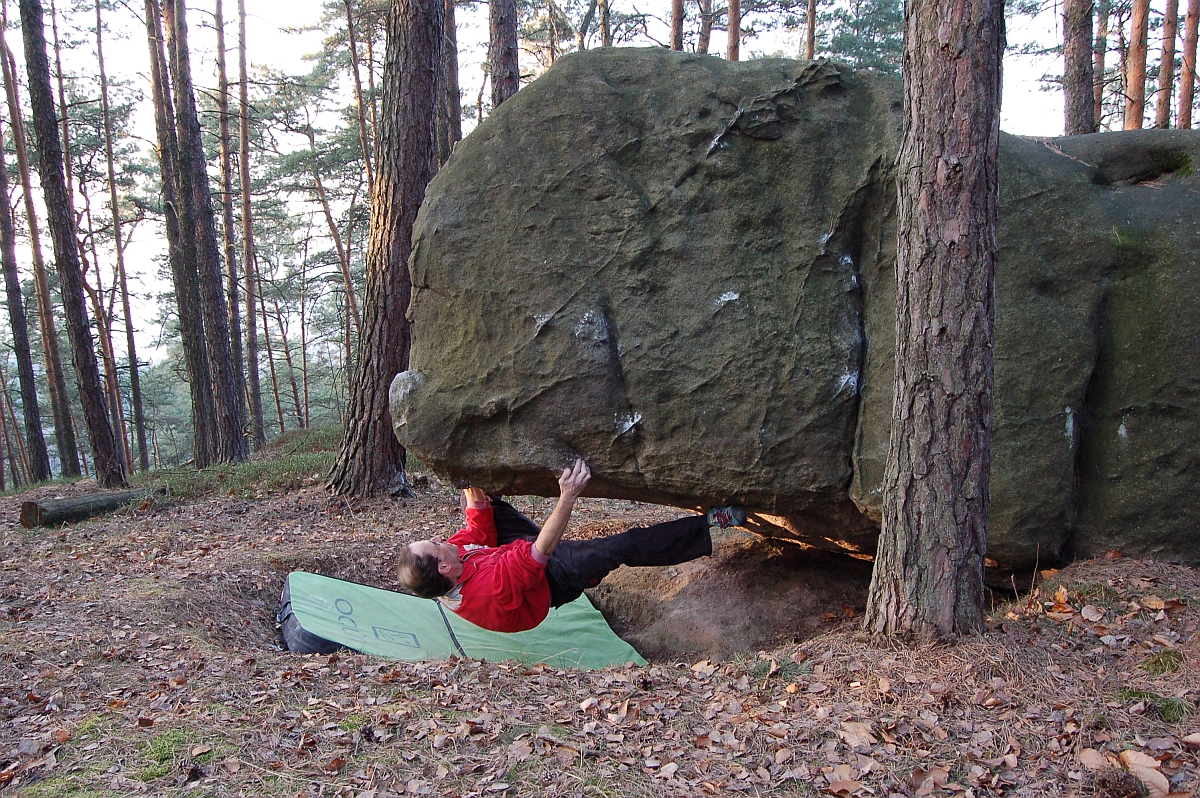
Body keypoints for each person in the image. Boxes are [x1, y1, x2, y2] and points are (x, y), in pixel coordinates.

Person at [396, 459, 746, 633]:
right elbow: (541, 551)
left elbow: (477, 531)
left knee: (474, 498)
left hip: (506, 556)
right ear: (443, 568)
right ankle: (708, 524)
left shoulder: (452, 561)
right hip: (548, 581)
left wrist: (470, 482)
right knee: (618, 547)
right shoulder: (490, 591)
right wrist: (567, 496)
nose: (442, 540)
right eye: (436, 545)